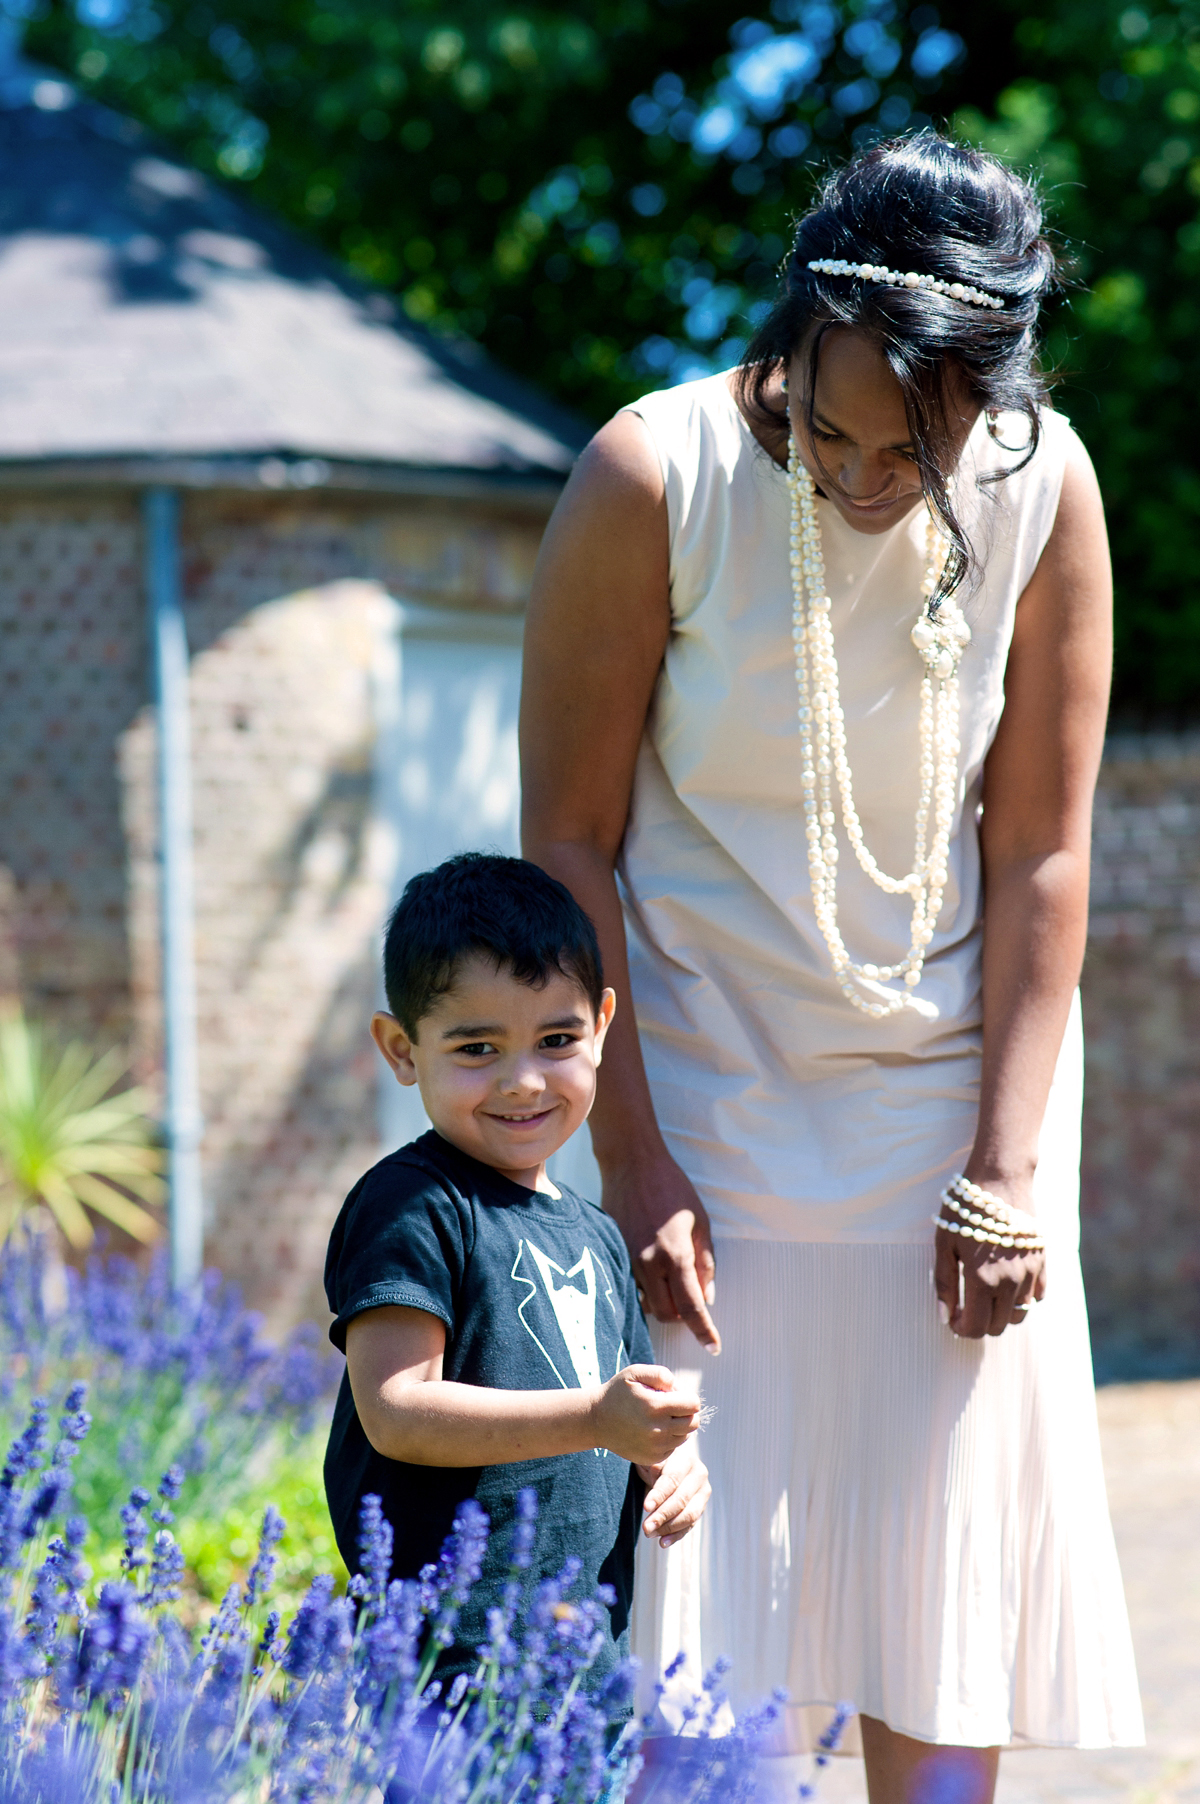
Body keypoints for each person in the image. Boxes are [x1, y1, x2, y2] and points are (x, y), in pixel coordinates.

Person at [519, 132, 1144, 1802]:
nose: (866, 480)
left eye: (913, 450)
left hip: (955, 1114)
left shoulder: (1047, 484)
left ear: (993, 402)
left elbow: (1044, 851)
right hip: (704, 1093)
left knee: (939, 1610)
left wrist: (1008, 1173)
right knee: (708, 1643)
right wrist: (630, 1156)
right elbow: (568, 843)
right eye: (834, 428)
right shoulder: (652, 479)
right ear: (790, 331)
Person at [322, 850, 710, 1705]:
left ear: (603, 1027)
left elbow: (634, 1406)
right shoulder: (412, 1206)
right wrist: (597, 1419)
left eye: (558, 1040)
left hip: (585, 1662)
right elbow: (396, 1410)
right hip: (448, 1659)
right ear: (400, 1048)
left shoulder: (596, 1235)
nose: (524, 1080)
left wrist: (673, 1461)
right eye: (476, 1047)